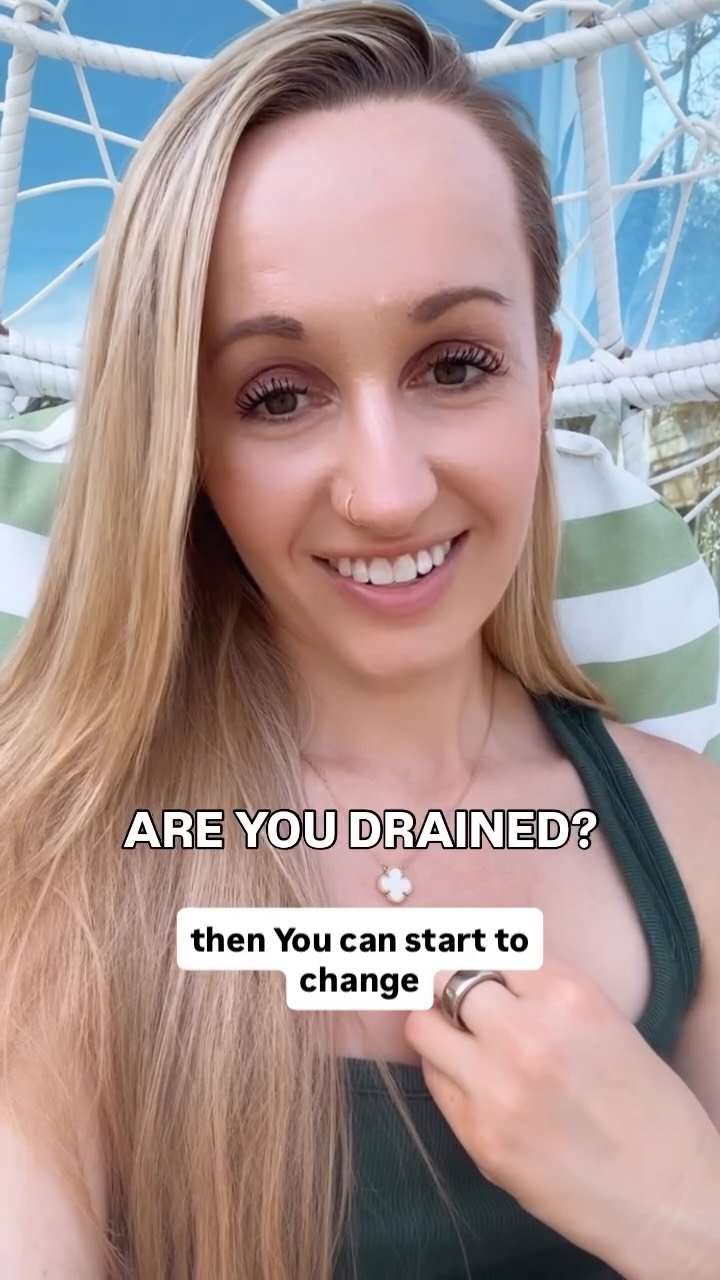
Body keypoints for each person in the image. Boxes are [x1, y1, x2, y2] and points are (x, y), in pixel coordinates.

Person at [0, 3, 719, 1277]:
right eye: (278, 395)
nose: (386, 494)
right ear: (186, 443)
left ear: (544, 376)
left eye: (456, 365)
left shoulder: (695, 838)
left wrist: (683, 1210)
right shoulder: (68, 875)